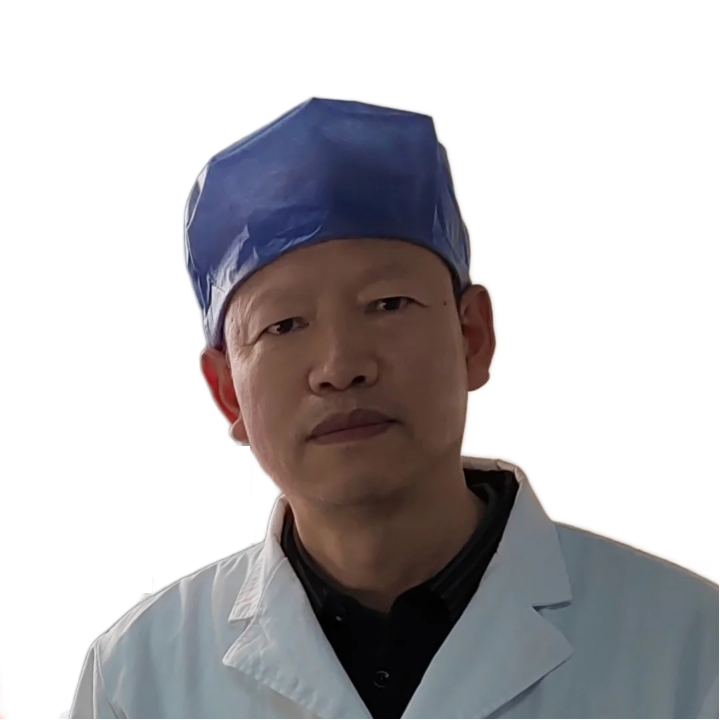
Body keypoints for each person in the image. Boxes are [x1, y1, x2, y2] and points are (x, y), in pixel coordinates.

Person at [69, 98, 719, 719]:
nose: (339, 366)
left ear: (472, 337)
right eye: (284, 325)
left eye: (387, 305)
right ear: (228, 392)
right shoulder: (138, 680)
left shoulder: (689, 651)